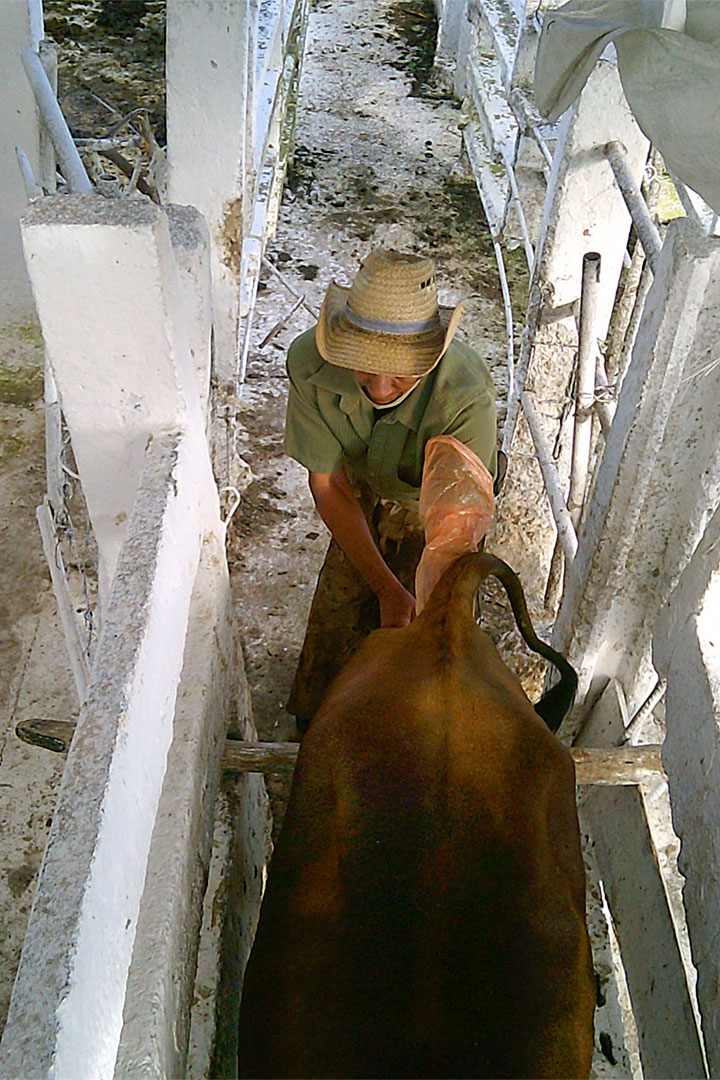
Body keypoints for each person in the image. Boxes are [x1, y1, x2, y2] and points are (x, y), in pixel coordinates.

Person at [283, 248, 500, 732]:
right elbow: (330, 483)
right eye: (363, 365)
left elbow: (454, 526)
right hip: (359, 485)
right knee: (342, 605)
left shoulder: (465, 397)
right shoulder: (309, 363)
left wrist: (423, 612)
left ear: (431, 357)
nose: (380, 388)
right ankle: (314, 725)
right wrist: (384, 586)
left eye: (399, 371)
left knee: (436, 633)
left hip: (437, 504)